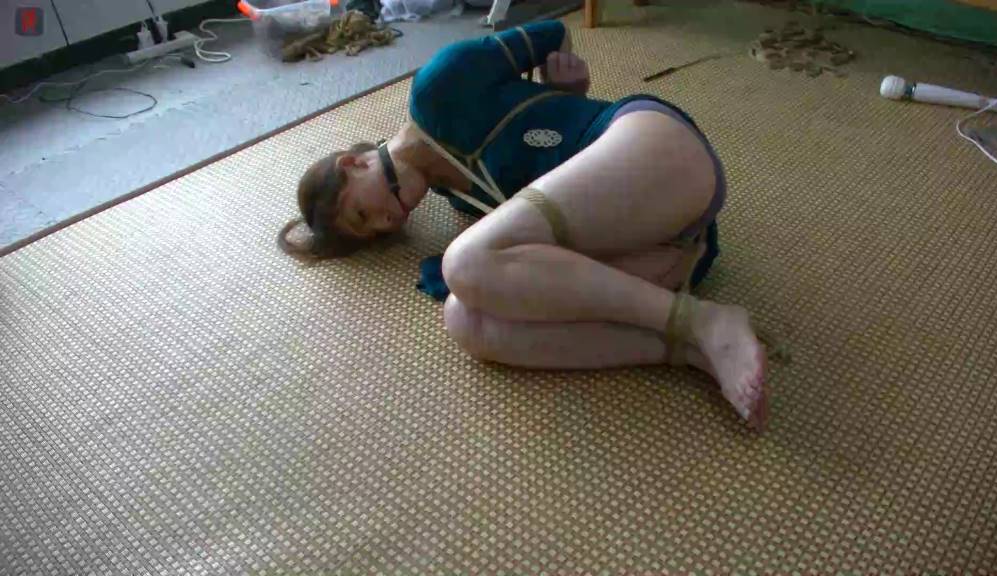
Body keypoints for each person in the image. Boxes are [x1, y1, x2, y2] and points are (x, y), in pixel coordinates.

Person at [279, 20, 768, 430]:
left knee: (464, 262)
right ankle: (686, 348)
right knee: (465, 320)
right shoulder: (458, 196)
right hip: (671, 247)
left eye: (362, 213)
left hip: (655, 147)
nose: (387, 221)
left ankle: (702, 322)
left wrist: (564, 89)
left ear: (354, 164)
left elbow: (552, 32)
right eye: (375, 232)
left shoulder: (438, 86)